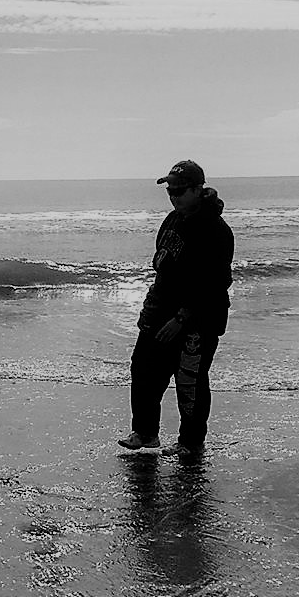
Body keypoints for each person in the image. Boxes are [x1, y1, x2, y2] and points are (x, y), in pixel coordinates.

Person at [119, 160, 234, 457]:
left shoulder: (217, 231)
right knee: (143, 369)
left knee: (189, 381)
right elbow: (163, 266)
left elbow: (215, 284)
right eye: (170, 190)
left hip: (198, 319)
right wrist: (151, 309)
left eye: (180, 190)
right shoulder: (172, 220)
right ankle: (145, 433)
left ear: (198, 190)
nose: (174, 195)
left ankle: (191, 442)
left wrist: (182, 318)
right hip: (160, 311)